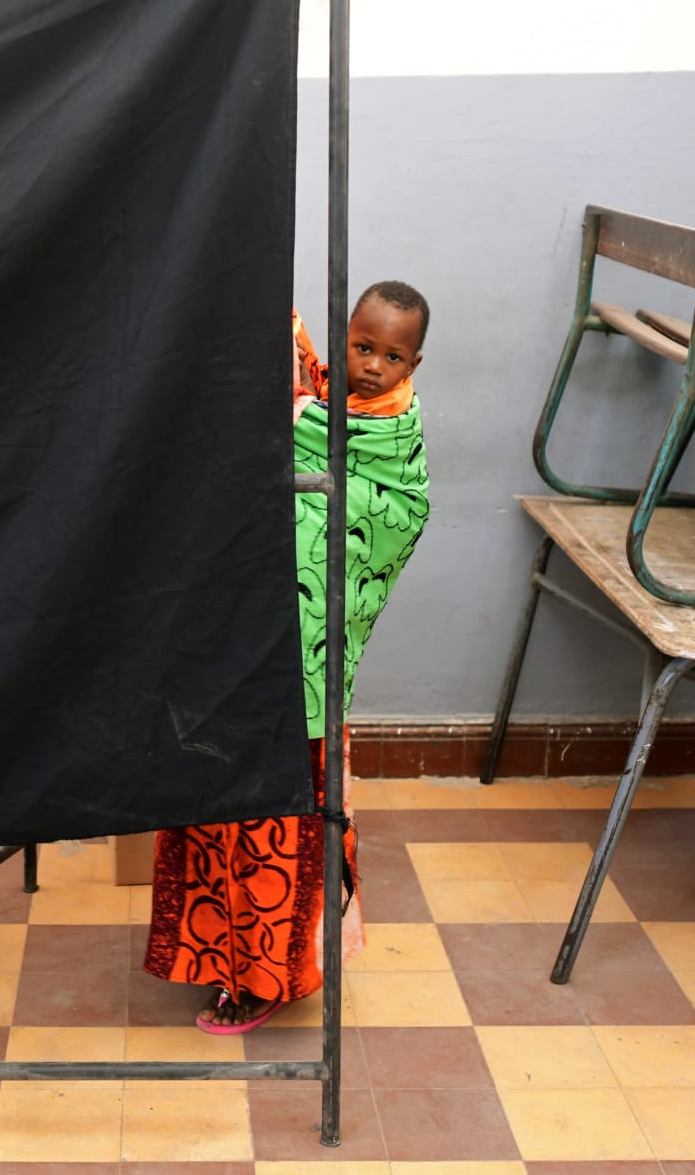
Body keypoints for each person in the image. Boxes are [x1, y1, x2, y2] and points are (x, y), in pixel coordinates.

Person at [143, 281, 433, 1034]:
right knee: (215, 801)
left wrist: (295, 486)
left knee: (281, 824)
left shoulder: (392, 436)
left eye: (391, 356)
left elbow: (394, 514)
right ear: (342, 342)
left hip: (300, 677)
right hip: (245, 649)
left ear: (415, 363)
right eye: (362, 348)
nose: (372, 366)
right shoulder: (313, 399)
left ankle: (272, 975)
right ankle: (216, 957)